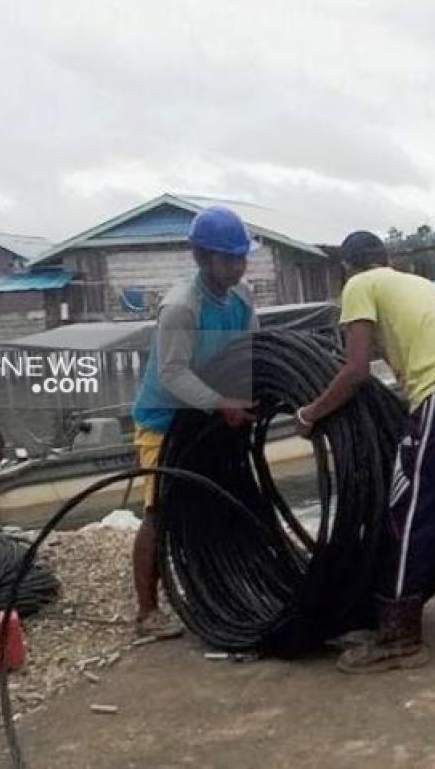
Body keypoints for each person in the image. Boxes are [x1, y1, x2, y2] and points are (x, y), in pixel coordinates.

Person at [295, 230, 435, 674]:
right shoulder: (415, 283)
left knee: (412, 505)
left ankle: (399, 636)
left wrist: (310, 413)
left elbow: (354, 370)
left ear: (348, 266)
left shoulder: (358, 286)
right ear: (385, 257)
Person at [129, 206, 258, 638]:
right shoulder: (182, 307)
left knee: (217, 503)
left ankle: (225, 588)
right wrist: (221, 402)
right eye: (230, 258)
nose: (239, 267)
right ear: (202, 258)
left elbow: (254, 350)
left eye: (242, 257)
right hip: (165, 422)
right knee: (160, 510)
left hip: (209, 416)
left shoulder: (242, 299)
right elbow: (172, 374)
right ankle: (148, 613)